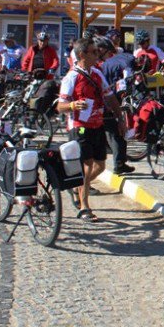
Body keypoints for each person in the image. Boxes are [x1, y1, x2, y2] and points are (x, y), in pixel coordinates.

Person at [56, 37, 127, 222]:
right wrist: (72, 105)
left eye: (97, 51)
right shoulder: (71, 77)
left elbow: (110, 97)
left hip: (97, 124)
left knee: (100, 166)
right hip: (79, 127)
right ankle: (84, 207)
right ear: (82, 55)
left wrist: (120, 118)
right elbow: (60, 106)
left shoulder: (96, 73)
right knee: (87, 166)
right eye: (93, 52)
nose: (98, 55)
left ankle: (77, 187)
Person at [97, 36, 136, 175]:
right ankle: (119, 164)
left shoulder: (103, 65)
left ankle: (120, 163)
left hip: (106, 104)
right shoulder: (102, 65)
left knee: (117, 133)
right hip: (105, 105)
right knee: (115, 133)